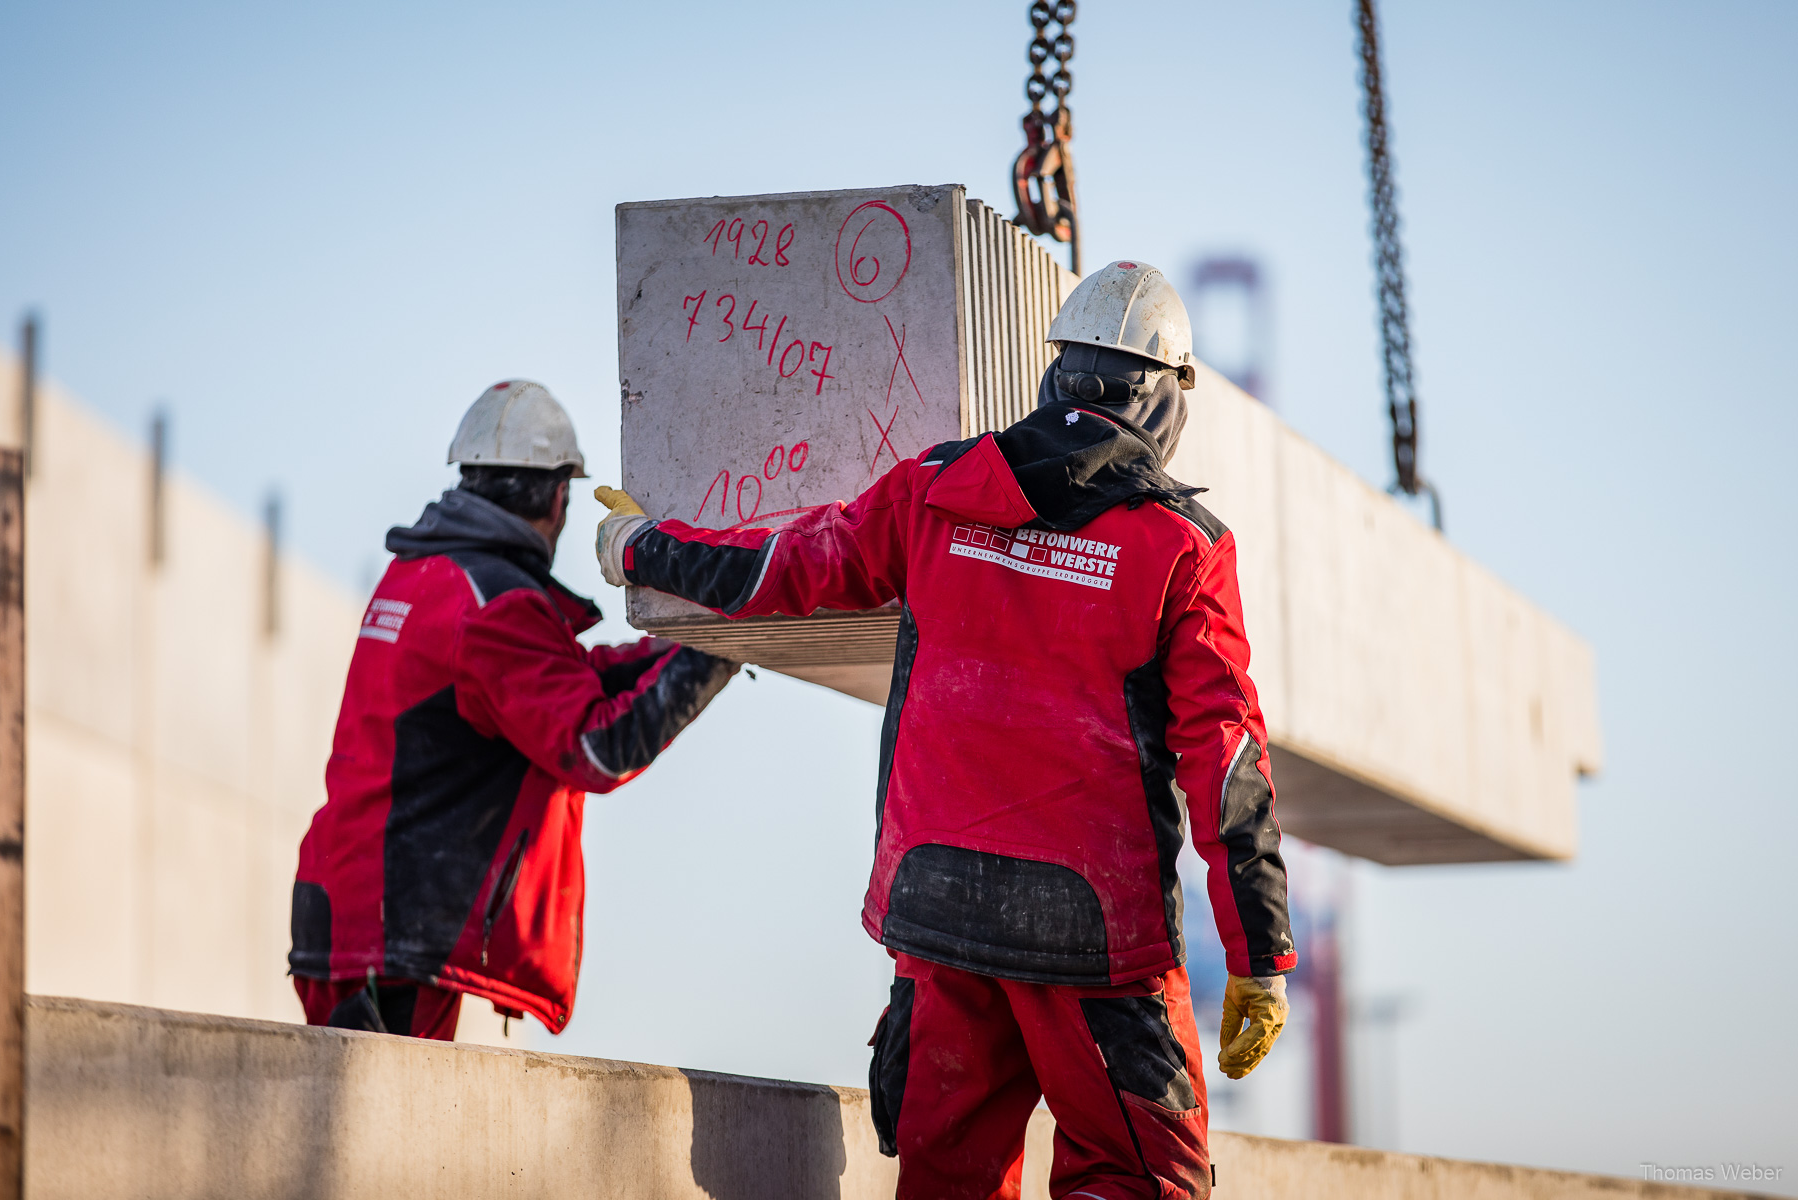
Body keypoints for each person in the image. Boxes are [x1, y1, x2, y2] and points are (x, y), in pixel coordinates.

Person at [594, 263, 1296, 1200]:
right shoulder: (1183, 549)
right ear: (1167, 397)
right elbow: (1227, 761)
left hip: (935, 909)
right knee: (1141, 1182)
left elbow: (785, 568)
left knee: (945, 1184)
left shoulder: (936, 487)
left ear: (1057, 376)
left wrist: (641, 548)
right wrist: (1259, 958)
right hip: (1095, 938)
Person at [290, 380, 735, 1040]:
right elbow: (598, 747)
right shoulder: (497, 605)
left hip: (356, 917)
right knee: (399, 1140)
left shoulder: (426, 574)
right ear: (559, 496)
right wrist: (727, 640)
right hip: (394, 939)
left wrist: (693, 643)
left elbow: (566, 679)